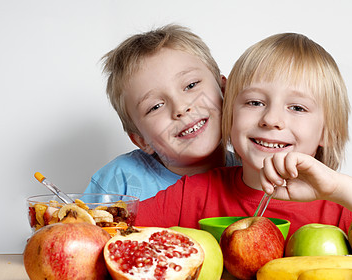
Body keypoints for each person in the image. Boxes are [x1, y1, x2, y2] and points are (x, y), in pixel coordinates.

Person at [134, 32, 352, 238]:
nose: (271, 119)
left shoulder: (346, 202)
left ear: (327, 133)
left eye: (297, 108)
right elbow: (107, 232)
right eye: (254, 102)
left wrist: (337, 188)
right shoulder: (190, 196)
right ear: (229, 116)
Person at [85, 25, 239, 201]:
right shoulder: (118, 184)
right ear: (142, 140)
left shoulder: (255, 175)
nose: (180, 108)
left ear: (224, 90)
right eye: (156, 106)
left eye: (190, 85)